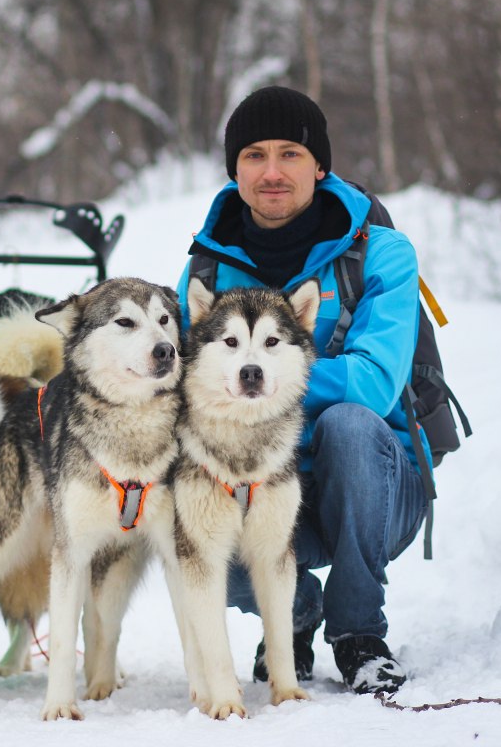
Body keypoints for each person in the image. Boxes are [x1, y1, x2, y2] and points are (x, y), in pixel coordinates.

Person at [177, 86, 430, 694]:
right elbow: (189, 387)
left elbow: (371, 385)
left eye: (290, 153)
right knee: (190, 486)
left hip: (372, 484)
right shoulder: (207, 270)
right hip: (260, 479)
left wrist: (252, 372)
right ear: (234, 169)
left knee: (347, 422)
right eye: (254, 155)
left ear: (320, 166)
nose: (271, 172)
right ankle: (290, 612)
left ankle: (358, 633)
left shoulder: (380, 255)